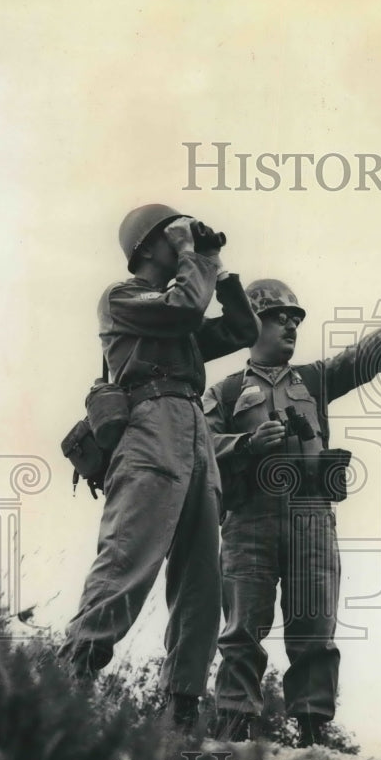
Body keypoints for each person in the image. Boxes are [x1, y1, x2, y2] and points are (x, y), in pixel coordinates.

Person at [203, 278, 381, 746]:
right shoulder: (224, 391)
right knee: (242, 628)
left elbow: (363, 359)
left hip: (311, 515)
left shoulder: (315, 380)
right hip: (249, 521)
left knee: (315, 630)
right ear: (253, 324)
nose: (291, 324)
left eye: (296, 318)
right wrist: (245, 443)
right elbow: (198, 446)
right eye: (280, 316)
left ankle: (313, 734)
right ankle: (233, 732)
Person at [59, 204, 259, 733]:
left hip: (193, 429)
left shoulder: (178, 307)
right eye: (175, 237)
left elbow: (242, 330)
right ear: (147, 248)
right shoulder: (123, 298)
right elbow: (184, 313)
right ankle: (72, 676)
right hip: (150, 426)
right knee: (129, 556)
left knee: (202, 580)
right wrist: (194, 258)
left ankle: (181, 706)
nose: (184, 244)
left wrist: (214, 263)